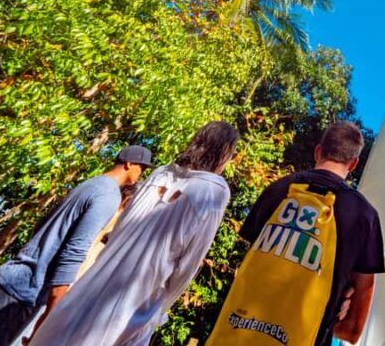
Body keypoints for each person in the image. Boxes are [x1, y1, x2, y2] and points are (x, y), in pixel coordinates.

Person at [28, 120, 240, 346]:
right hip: (136, 300)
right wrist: (160, 309)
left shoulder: (160, 174)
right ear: (224, 154)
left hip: (96, 280)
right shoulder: (214, 191)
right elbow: (189, 263)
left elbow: (121, 227)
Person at [207, 121, 385, 346]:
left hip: (235, 333)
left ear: (318, 151)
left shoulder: (277, 189)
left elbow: (248, 261)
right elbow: (355, 318)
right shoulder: (364, 215)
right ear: (354, 164)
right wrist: (334, 322)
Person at [0, 145, 153, 346]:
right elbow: (74, 251)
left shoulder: (92, 184)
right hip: (20, 292)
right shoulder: (108, 196)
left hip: (11, 282)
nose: (141, 174)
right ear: (129, 164)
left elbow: (43, 226)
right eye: (141, 168)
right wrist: (52, 311)